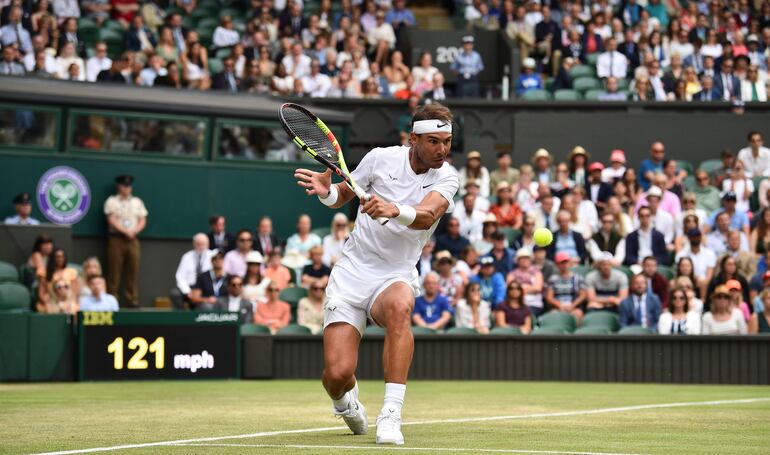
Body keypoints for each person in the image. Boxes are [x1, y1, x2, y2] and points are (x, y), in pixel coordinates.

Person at [292, 102, 459, 445]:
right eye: (434, 142)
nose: (442, 149)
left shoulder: (447, 176)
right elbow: (342, 195)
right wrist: (327, 193)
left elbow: (428, 215)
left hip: (394, 274)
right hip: (352, 273)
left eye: (447, 142)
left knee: (400, 308)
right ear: (414, 139)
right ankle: (345, 401)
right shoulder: (380, 158)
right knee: (336, 375)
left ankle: (391, 415)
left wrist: (393, 208)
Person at [104, 175, 147, 308]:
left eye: (129, 186)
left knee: (133, 270)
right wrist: (125, 231)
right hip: (116, 238)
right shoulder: (112, 201)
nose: (127, 188)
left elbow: (143, 219)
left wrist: (134, 231)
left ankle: (131, 299)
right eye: (124, 185)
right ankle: (112, 300)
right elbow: (111, 219)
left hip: (133, 239)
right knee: (114, 270)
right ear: (119, 186)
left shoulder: (137, 202)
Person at [172, 233, 213, 309]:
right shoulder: (187, 256)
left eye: (203, 244)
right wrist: (187, 292)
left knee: (207, 306)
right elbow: (180, 276)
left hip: (206, 291)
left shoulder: (213, 256)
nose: (201, 247)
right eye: (198, 244)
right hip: (189, 288)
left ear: (208, 244)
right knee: (175, 293)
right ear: (194, 244)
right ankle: (181, 318)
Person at [675, 228, 716, 299]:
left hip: (703, 284)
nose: (695, 238)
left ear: (701, 237)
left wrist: (702, 283)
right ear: (689, 238)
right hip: (684, 281)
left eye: (697, 236)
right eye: (693, 236)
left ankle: (703, 302)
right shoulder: (681, 254)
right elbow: (679, 272)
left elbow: (709, 276)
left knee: (702, 281)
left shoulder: (710, 253)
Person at [545, 252, 586, 321]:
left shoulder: (578, 278)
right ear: (557, 265)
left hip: (574, 306)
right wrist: (560, 305)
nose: (565, 265)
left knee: (578, 314)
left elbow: (583, 295)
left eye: (566, 262)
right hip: (558, 307)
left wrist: (572, 305)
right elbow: (549, 297)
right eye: (562, 263)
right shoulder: (553, 279)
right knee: (552, 315)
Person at [507, 248, 544, 317]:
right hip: (516, 304)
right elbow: (510, 289)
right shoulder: (512, 274)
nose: (524, 260)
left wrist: (519, 288)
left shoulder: (537, 273)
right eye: (522, 258)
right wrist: (530, 287)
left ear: (530, 259)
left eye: (527, 258)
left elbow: (538, 288)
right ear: (517, 260)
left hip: (534, 304)